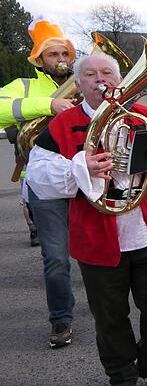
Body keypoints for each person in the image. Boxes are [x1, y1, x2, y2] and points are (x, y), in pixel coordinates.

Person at [26, 53, 147, 386]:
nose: (101, 80)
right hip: (95, 234)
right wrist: (80, 168)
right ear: (78, 85)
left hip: (146, 228)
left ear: (120, 80)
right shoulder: (61, 126)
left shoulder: (145, 115)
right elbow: (37, 176)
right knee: (109, 315)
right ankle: (121, 374)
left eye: (107, 73)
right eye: (90, 75)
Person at [0, 18, 77, 347]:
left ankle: (108, 312)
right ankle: (61, 319)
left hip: (83, 178)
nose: (61, 59)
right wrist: (49, 105)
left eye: (65, 53)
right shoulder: (23, 85)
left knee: (95, 251)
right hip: (44, 184)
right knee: (56, 256)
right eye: (53, 54)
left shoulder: (83, 80)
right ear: (39, 60)